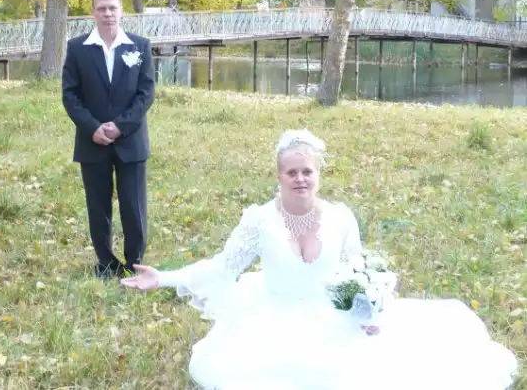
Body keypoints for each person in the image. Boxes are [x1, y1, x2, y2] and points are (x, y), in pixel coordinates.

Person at [121, 129, 518, 390]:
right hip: (274, 318)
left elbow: (360, 273)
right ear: (279, 176)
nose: (300, 179)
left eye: (307, 171)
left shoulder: (341, 217)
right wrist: (164, 277)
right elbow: (223, 267)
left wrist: (371, 314)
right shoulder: (259, 221)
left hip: (332, 318)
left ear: (318, 174)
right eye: (291, 172)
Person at [62, 0, 155, 279]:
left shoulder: (140, 46)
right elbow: (70, 94)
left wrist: (120, 126)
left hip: (131, 141)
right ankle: (106, 262)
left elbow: (146, 93)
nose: (107, 14)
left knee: (133, 206)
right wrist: (92, 127)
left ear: (121, 10)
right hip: (92, 141)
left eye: (112, 8)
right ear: (93, 12)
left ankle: (134, 263)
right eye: (101, 8)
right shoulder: (77, 48)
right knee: (98, 207)